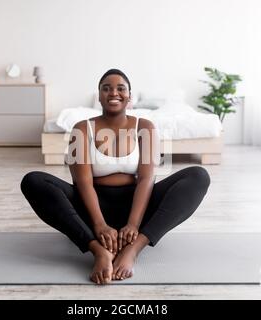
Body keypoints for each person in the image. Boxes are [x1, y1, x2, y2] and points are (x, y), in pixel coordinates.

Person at [21, 69, 210, 285]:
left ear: (129, 96)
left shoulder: (145, 127)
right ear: (99, 95)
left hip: (138, 206)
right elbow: (83, 182)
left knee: (198, 176)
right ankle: (99, 250)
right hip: (92, 209)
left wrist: (133, 224)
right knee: (33, 181)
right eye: (106, 88)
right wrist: (100, 225)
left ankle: (133, 248)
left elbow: (147, 180)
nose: (114, 93)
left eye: (121, 88)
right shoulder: (81, 129)